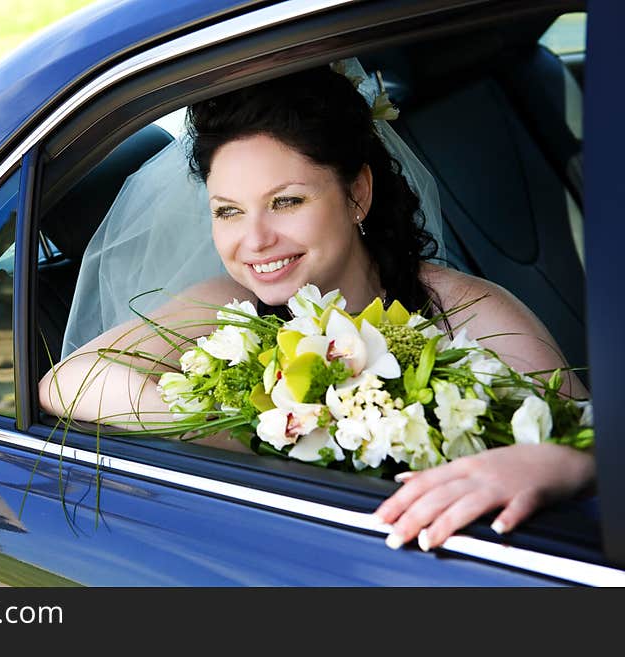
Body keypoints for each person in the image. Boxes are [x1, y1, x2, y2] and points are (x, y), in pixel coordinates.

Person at [38, 63, 595, 553]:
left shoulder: (467, 312)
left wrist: (565, 465)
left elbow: (589, 436)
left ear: (357, 194)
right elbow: (68, 382)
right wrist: (253, 429)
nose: (254, 240)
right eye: (229, 211)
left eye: (286, 202)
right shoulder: (229, 306)